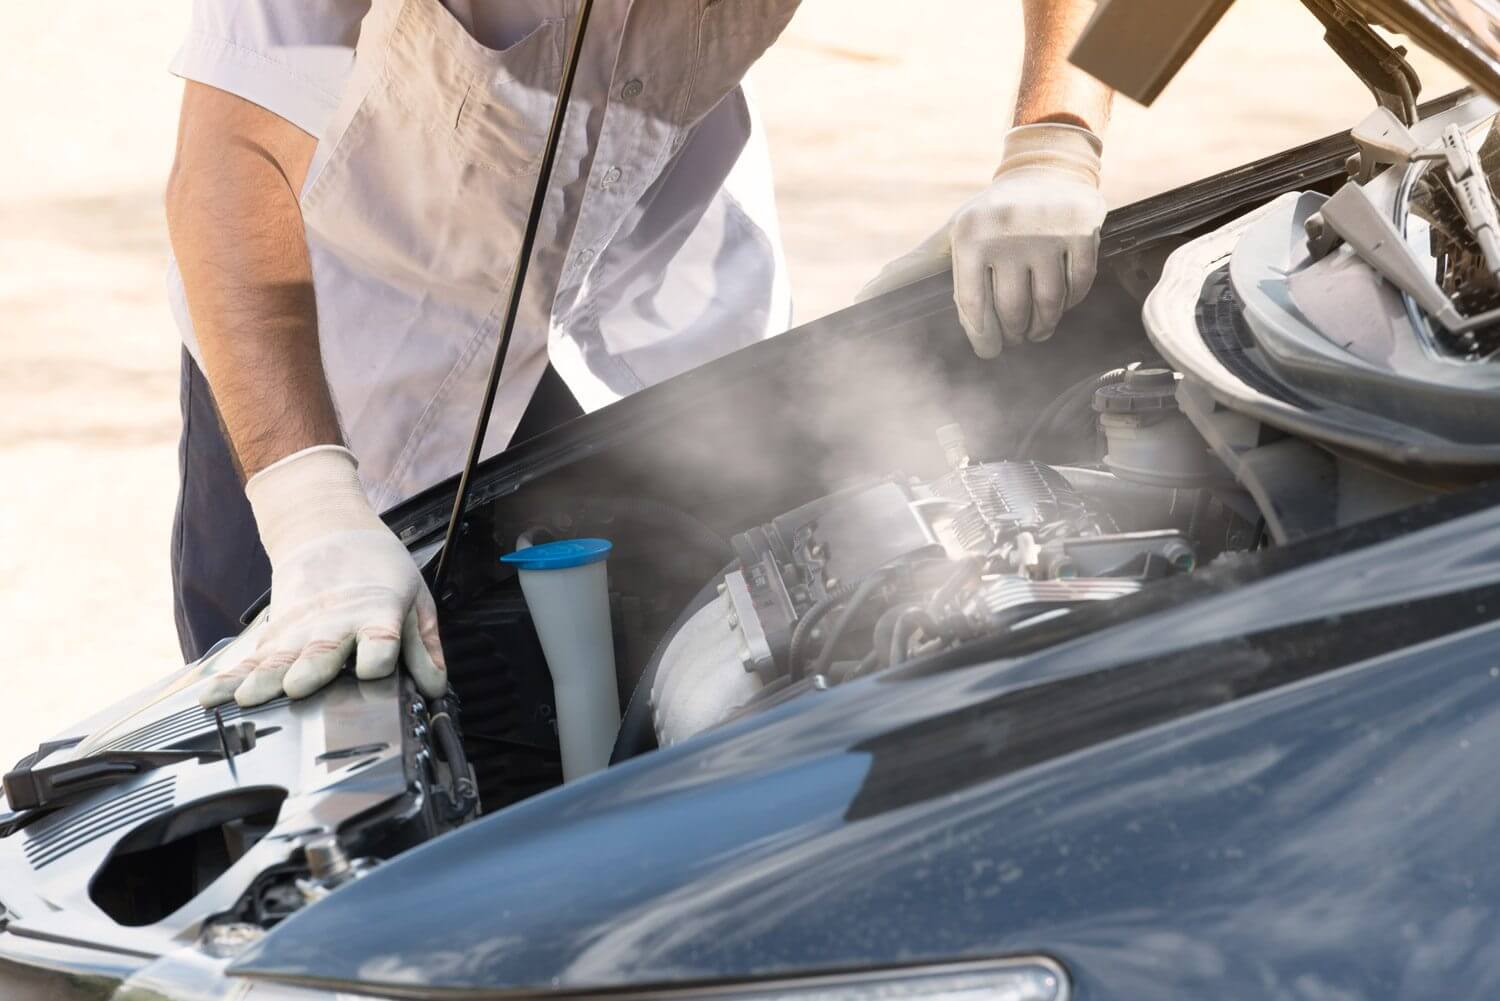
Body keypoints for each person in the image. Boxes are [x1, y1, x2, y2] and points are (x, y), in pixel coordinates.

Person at [165, 0, 1114, 708]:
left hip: (662, 339)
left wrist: (1057, 138)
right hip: (327, 373)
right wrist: (308, 510)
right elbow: (229, 154)